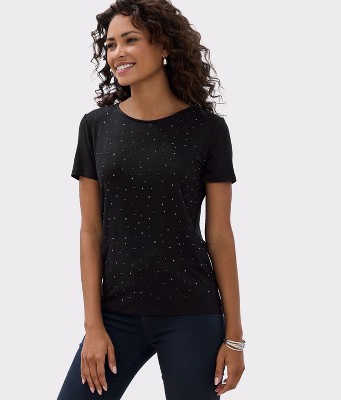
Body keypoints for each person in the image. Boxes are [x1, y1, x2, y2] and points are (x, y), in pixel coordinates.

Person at [57, 0, 245, 399]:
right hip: (115, 316)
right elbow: (90, 232)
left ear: (164, 46)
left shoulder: (208, 130)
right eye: (110, 44)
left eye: (130, 40)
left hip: (192, 314)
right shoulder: (95, 127)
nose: (117, 53)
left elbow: (220, 236)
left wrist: (234, 336)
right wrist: (93, 326)